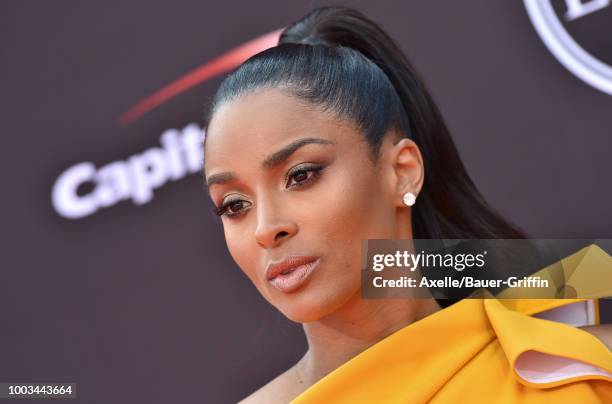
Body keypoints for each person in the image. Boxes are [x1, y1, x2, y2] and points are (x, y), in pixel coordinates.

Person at [202, 6, 612, 403]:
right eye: (235, 205)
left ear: (402, 171)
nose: (265, 227)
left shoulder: (575, 364)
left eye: (302, 175)